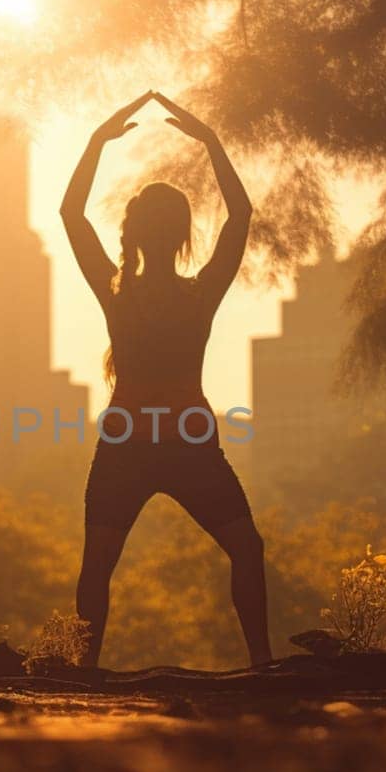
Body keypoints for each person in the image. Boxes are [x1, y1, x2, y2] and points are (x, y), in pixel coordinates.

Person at [59, 90, 271, 668]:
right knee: (107, 560)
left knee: (103, 561)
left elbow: (72, 215)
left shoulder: (141, 292)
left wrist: (98, 141)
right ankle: (259, 665)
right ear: (167, 236)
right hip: (161, 444)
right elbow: (241, 218)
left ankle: (86, 673)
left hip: (159, 445)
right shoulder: (174, 293)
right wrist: (209, 143)